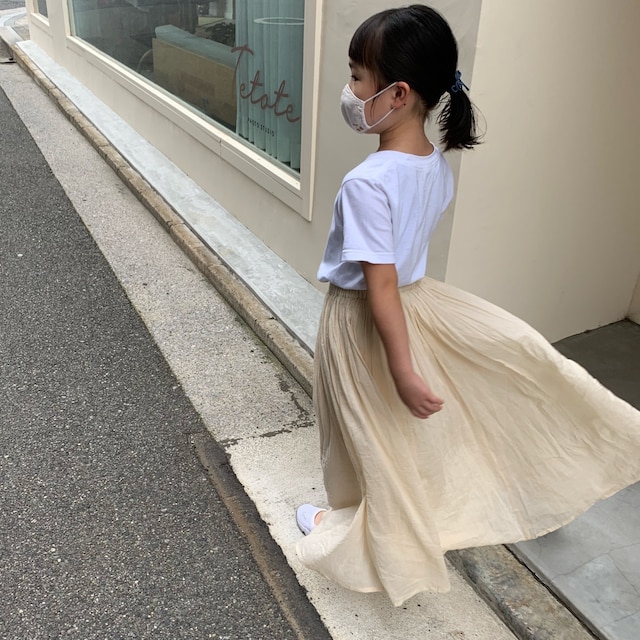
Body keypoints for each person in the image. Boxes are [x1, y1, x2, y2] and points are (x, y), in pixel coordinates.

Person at [295, 4, 640, 608]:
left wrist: (402, 369)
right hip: (418, 309)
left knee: (359, 427)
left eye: (356, 77)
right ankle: (388, 511)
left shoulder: (368, 182)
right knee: (393, 429)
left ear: (397, 94)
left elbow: (379, 285)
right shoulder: (433, 165)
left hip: (364, 320)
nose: (349, 91)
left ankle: (354, 528)